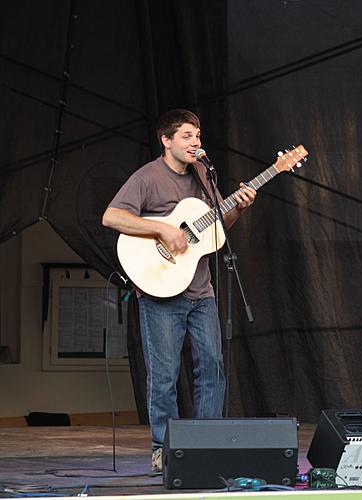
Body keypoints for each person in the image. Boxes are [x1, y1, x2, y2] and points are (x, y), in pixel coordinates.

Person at [101, 109, 256, 473]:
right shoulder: (148, 177)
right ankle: (163, 448)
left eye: (198, 136)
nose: (195, 142)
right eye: (186, 136)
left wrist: (240, 208)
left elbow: (216, 229)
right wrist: (161, 231)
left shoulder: (203, 176)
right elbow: (111, 217)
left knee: (213, 367)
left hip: (201, 290)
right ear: (166, 140)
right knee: (165, 372)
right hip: (160, 293)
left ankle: (205, 444)